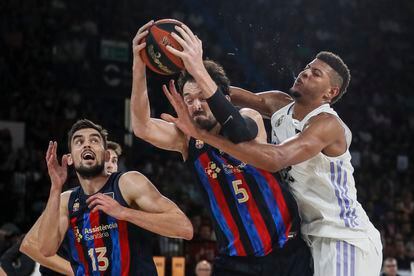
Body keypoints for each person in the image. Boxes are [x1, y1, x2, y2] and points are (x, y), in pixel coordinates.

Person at [159, 24, 382, 276]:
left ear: (330, 92)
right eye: (307, 67)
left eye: (315, 73)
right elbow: (220, 93)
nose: (305, 73)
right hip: (309, 237)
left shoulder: (327, 125)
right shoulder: (278, 103)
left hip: (342, 237)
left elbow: (275, 159)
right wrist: (192, 74)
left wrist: (202, 131)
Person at [131, 21, 312, 275]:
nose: (195, 105)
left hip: (286, 254)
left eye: (203, 98)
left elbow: (240, 132)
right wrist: (140, 65)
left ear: (223, 99)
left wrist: (197, 66)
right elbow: (141, 127)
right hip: (235, 262)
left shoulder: (250, 117)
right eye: (188, 100)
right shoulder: (187, 139)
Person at [35, 119, 193, 275]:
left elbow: (184, 228)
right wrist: (55, 187)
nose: (87, 144)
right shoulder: (66, 200)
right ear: (70, 158)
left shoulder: (127, 183)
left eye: (94, 140)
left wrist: (124, 212)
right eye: (79, 141)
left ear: (105, 155)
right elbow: (45, 249)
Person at [20, 140, 125, 275]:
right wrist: (78, 271)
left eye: (114, 161)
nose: (110, 165)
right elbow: (30, 245)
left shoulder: (118, 201)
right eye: (106, 159)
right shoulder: (69, 199)